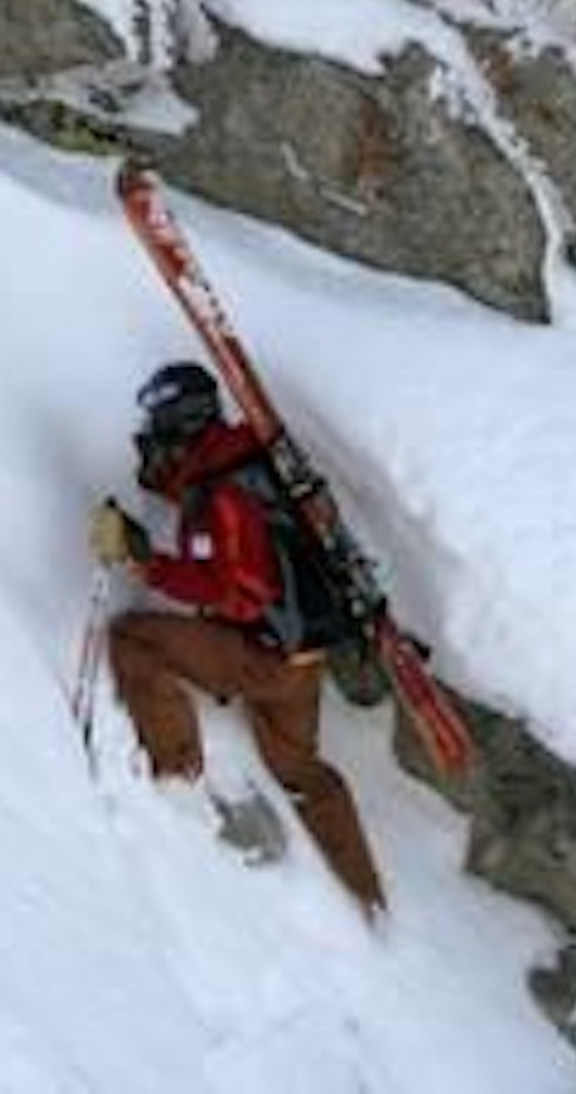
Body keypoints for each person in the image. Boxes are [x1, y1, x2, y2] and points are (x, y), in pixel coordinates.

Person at [89, 362, 386, 915]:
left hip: (261, 654)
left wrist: (144, 561)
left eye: (158, 423)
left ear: (182, 423)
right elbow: (227, 522)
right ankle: (366, 896)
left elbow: (234, 590)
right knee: (300, 771)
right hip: (304, 656)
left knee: (134, 640)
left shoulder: (220, 495)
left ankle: (178, 773)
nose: (150, 434)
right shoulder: (247, 457)